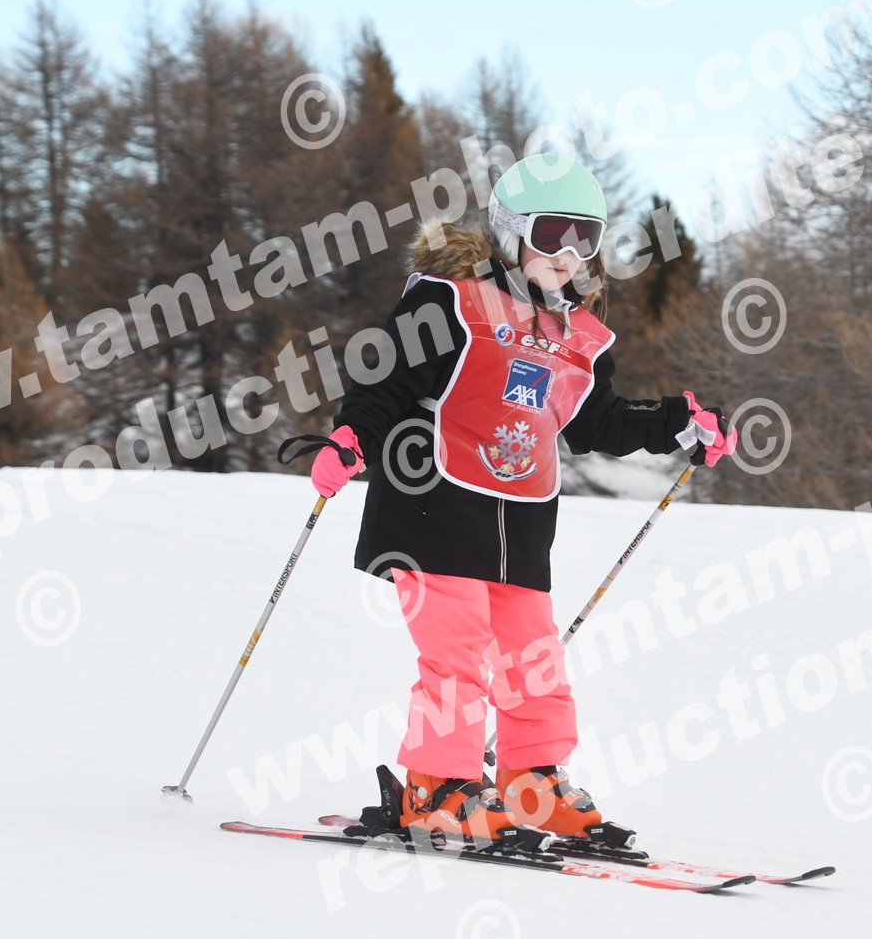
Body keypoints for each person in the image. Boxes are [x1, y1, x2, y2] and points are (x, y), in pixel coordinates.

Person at [308, 153, 733, 848]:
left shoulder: (575, 335)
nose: (568, 253)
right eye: (552, 233)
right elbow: (384, 381)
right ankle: (435, 787)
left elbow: (597, 422)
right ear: (509, 229)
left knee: (534, 659)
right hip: (433, 504)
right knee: (457, 655)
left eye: (585, 237)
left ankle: (530, 780)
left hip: (520, 523)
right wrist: (352, 435)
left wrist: (678, 422)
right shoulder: (447, 301)